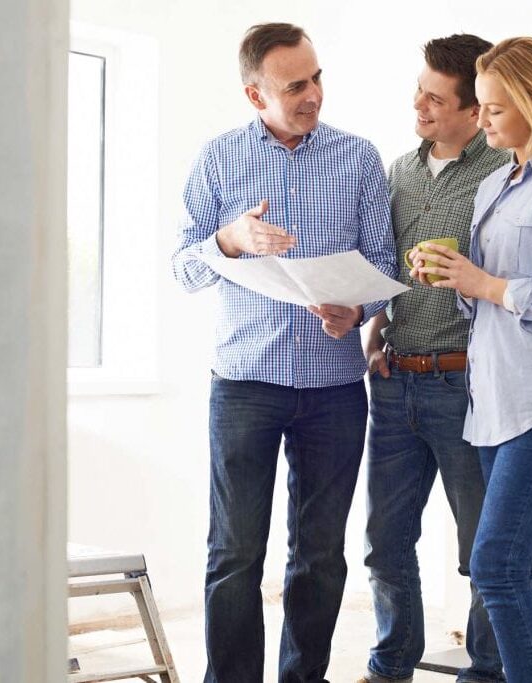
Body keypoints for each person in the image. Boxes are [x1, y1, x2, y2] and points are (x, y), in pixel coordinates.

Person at [172, 22, 397, 683]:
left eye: (317, 77)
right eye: (295, 85)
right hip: (244, 382)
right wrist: (231, 240)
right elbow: (183, 267)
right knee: (235, 552)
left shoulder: (358, 158)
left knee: (321, 555)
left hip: (333, 388)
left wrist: (355, 309)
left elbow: (382, 261)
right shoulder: (218, 160)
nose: (313, 94)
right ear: (254, 93)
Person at [409, 36, 532, 683]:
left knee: (493, 563)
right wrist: (450, 277)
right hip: (492, 399)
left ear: (530, 101)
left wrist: (485, 284)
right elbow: (485, 294)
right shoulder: (493, 183)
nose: (483, 121)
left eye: (493, 109)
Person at [358, 35, 507, 683]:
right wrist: (374, 320)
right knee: (385, 543)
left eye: (434, 97)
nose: (417, 104)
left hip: (467, 384)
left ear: (474, 112)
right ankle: (390, 665)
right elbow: (385, 262)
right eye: (417, 89)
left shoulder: (503, 172)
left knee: (482, 549)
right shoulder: (398, 170)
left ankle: (486, 670)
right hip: (395, 381)